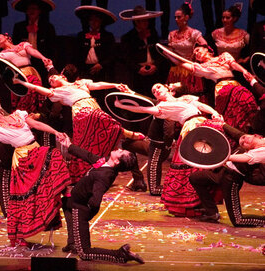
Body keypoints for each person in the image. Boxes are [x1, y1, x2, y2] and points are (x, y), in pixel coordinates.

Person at [0, 102, 71, 247]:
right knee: (22, 199)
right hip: (22, 158)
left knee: (52, 161)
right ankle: (18, 236)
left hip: (35, 150)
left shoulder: (18, 115)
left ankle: (63, 193)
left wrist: (56, 132)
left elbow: (37, 125)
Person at [13, 73, 145, 185]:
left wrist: (114, 85)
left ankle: (96, 172)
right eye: (50, 82)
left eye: (53, 77)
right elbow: (37, 88)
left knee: (96, 141)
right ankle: (126, 133)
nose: (51, 80)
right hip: (81, 112)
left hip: (93, 105)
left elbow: (97, 85)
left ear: (62, 76)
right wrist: (21, 82)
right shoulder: (58, 92)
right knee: (104, 122)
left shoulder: (80, 83)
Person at [114, 83, 223, 217]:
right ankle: (198, 206)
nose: (156, 91)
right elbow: (142, 108)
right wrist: (121, 105)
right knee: (193, 168)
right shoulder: (161, 107)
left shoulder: (185, 98)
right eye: (153, 91)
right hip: (191, 129)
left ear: (167, 88)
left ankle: (207, 205)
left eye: (158, 87)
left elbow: (201, 106)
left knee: (209, 164)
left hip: (204, 124)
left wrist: (215, 113)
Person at [58, 135, 144, 264]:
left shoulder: (104, 176)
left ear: (117, 162)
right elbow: (87, 155)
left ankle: (120, 255)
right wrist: (68, 145)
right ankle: (72, 243)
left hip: (80, 208)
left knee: (85, 253)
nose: (119, 149)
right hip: (75, 203)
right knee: (66, 204)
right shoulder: (105, 162)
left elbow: (95, 200)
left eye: (121, 152)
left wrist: (84, 208)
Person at [167, 44, 257, 138]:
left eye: (198, 50)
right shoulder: (201, 67)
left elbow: (234, 65)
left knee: (247, 105)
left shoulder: (224, 56)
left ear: (206, 48)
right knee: (231, 114)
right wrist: (167, 53)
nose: (197, 53)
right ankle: (236, 136)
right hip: (223, 88)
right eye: (195, 54)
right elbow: (180, 63)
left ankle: (251, 133)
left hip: (235, 84)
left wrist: (244, 71)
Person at [190, 128, 265, 227]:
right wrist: (222, 124)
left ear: (257, 135)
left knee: (238, 220)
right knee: (195, 178)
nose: (244, 141)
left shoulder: (260, 150)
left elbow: (246, 158)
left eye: (245, 139)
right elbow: (238, 134)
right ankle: (212, 213)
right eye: (242, 141)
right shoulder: (251, 141)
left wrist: (221, 157)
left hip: (232, 180)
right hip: (222, 173)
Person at [0, 33, 52, 114]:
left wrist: (43, 58)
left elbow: (33, 51)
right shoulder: (0, 55)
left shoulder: (23, 45)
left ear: (6, 37)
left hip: (31, 74)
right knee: (23, 102)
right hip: (18, 78)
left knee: (36, 98)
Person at [120, 5, 165, 97]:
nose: (146, 22)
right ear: (136, 22)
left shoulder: (153, 33)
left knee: (155, 96)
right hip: (138, 73)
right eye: (143, 20)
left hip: (153, 71)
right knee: (139, 97)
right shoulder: (128, 37)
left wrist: (155, 65)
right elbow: (126, 58)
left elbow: (159, 52)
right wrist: (138, 69)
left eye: (146, 20)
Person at [167, 3, 208, 101]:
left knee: (190, 95)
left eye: (179, 17)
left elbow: (204, 45)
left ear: (186, 17)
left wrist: (196, 54)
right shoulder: (172, 34)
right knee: (174, 94)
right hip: (176, 69)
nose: (176, 19)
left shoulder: (193, 33)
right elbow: (170, 51)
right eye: (175, 17)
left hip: (190, 68)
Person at [12, 0, 56, 87]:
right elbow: (14, 46)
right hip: (24, 63)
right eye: (29, 9)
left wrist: (50, 66)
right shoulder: (19, 27)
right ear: (26, 11)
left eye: (34, 8)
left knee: (42, 86)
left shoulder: (47, 27)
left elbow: (53, 48)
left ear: (39, 11)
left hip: (42, 63)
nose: (31, 11)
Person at [74, 5, 116, 95]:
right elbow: (76, 55)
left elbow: (112, 54)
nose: (93, 22)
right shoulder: (81, 35)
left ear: (101, 21)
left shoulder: (107, 36)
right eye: (91, 20)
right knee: (84, 93)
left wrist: (101, 64)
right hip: (84, 70)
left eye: (96, 20)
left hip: (101, 70)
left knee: (100, 94)